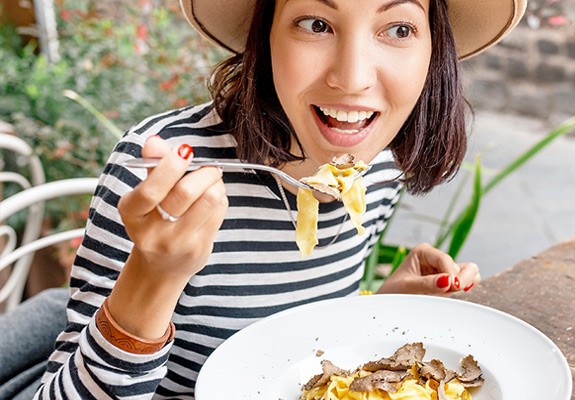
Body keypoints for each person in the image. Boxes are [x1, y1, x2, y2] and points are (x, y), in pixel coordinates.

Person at [9, 0, 525, 398]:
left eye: (399, 28)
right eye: (316, 23)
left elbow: (301, 343)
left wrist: (381, 307)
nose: (352, 78)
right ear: (266, 34)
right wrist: (153, 277)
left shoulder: (381, 165)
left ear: (434, 50)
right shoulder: (161, 173)